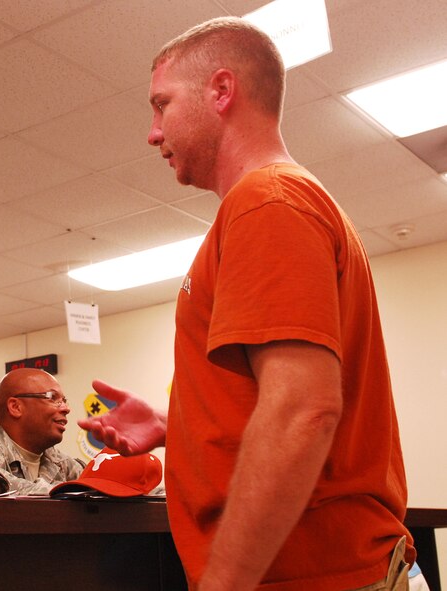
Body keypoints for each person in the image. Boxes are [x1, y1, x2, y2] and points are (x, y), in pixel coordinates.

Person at [79, 17, 416, 591]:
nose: (152, 133)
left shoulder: (267, 202)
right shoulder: (274, 204)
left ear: (221, 90)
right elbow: (280, 399)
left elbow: (302, 411)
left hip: (311, 575)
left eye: (162, 105)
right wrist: (178, 426)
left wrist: (223, 583)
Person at [0, 368, 84, 495]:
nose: (66, 408)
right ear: (15, 407)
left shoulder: (57, 460)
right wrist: (65, 494)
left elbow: (93, 487)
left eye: (64, 401)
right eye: (52, 398)